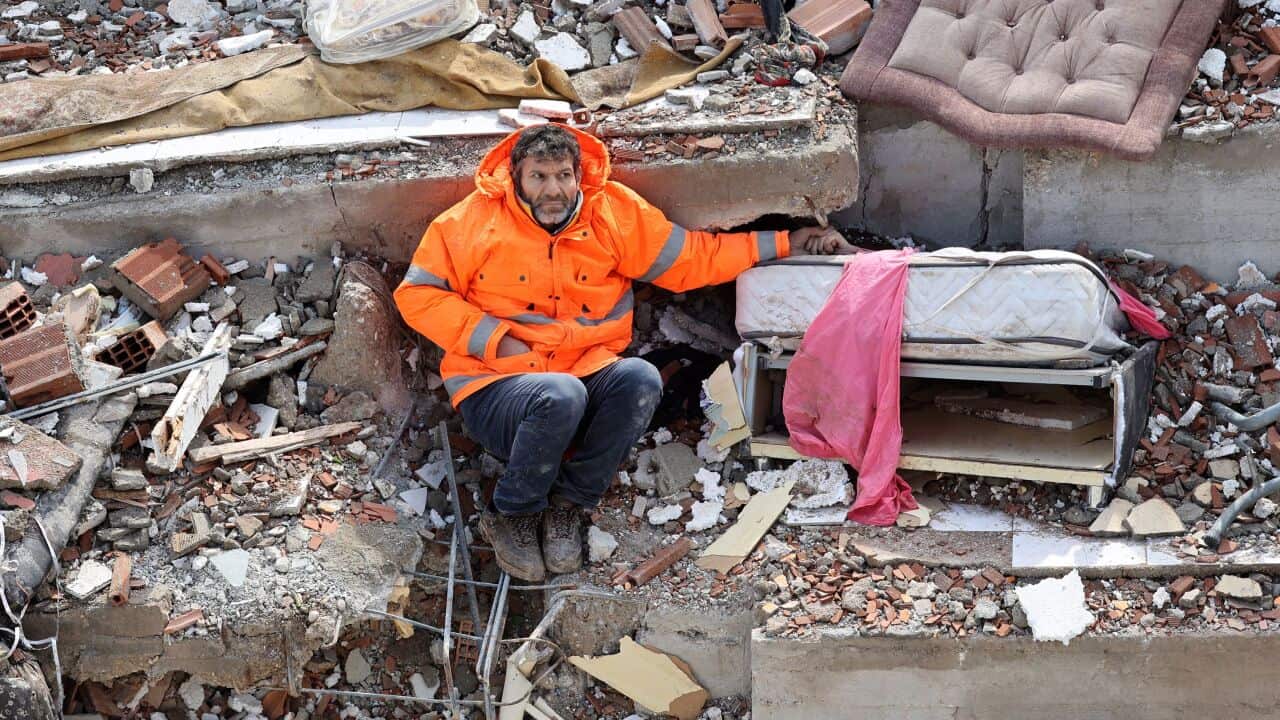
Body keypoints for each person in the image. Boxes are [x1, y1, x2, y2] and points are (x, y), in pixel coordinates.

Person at [394, 124, 852, 581]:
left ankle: (568, 507)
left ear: (578, 176)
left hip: (584, 378)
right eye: (538, 177)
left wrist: (789, 242)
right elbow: (416, 295)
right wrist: (496, 340)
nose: (553, 190)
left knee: (639, 379)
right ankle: (514, 513)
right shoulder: (471, 221)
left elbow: (692, 259)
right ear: (516, 177)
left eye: (563, 176)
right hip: (497, 389)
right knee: (560, 395)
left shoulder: (611, 212)